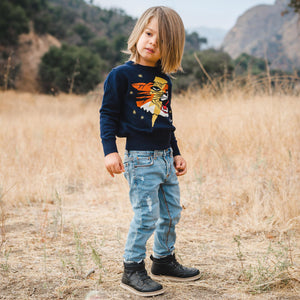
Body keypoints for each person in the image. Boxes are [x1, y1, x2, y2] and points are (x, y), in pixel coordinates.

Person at [100, 6, 201, 297]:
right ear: (139, 33)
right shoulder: (121, 75)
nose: (152, 42)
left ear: (172, 49)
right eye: (148, 34)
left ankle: (164, 260)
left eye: (161, 41)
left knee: (170, 213)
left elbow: (163, 121)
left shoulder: (163, 81)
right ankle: (132, 270)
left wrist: (176, 151)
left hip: (166, 159)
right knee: (146, 215)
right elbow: (107, 114)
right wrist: (110, 151)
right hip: (141, 159)